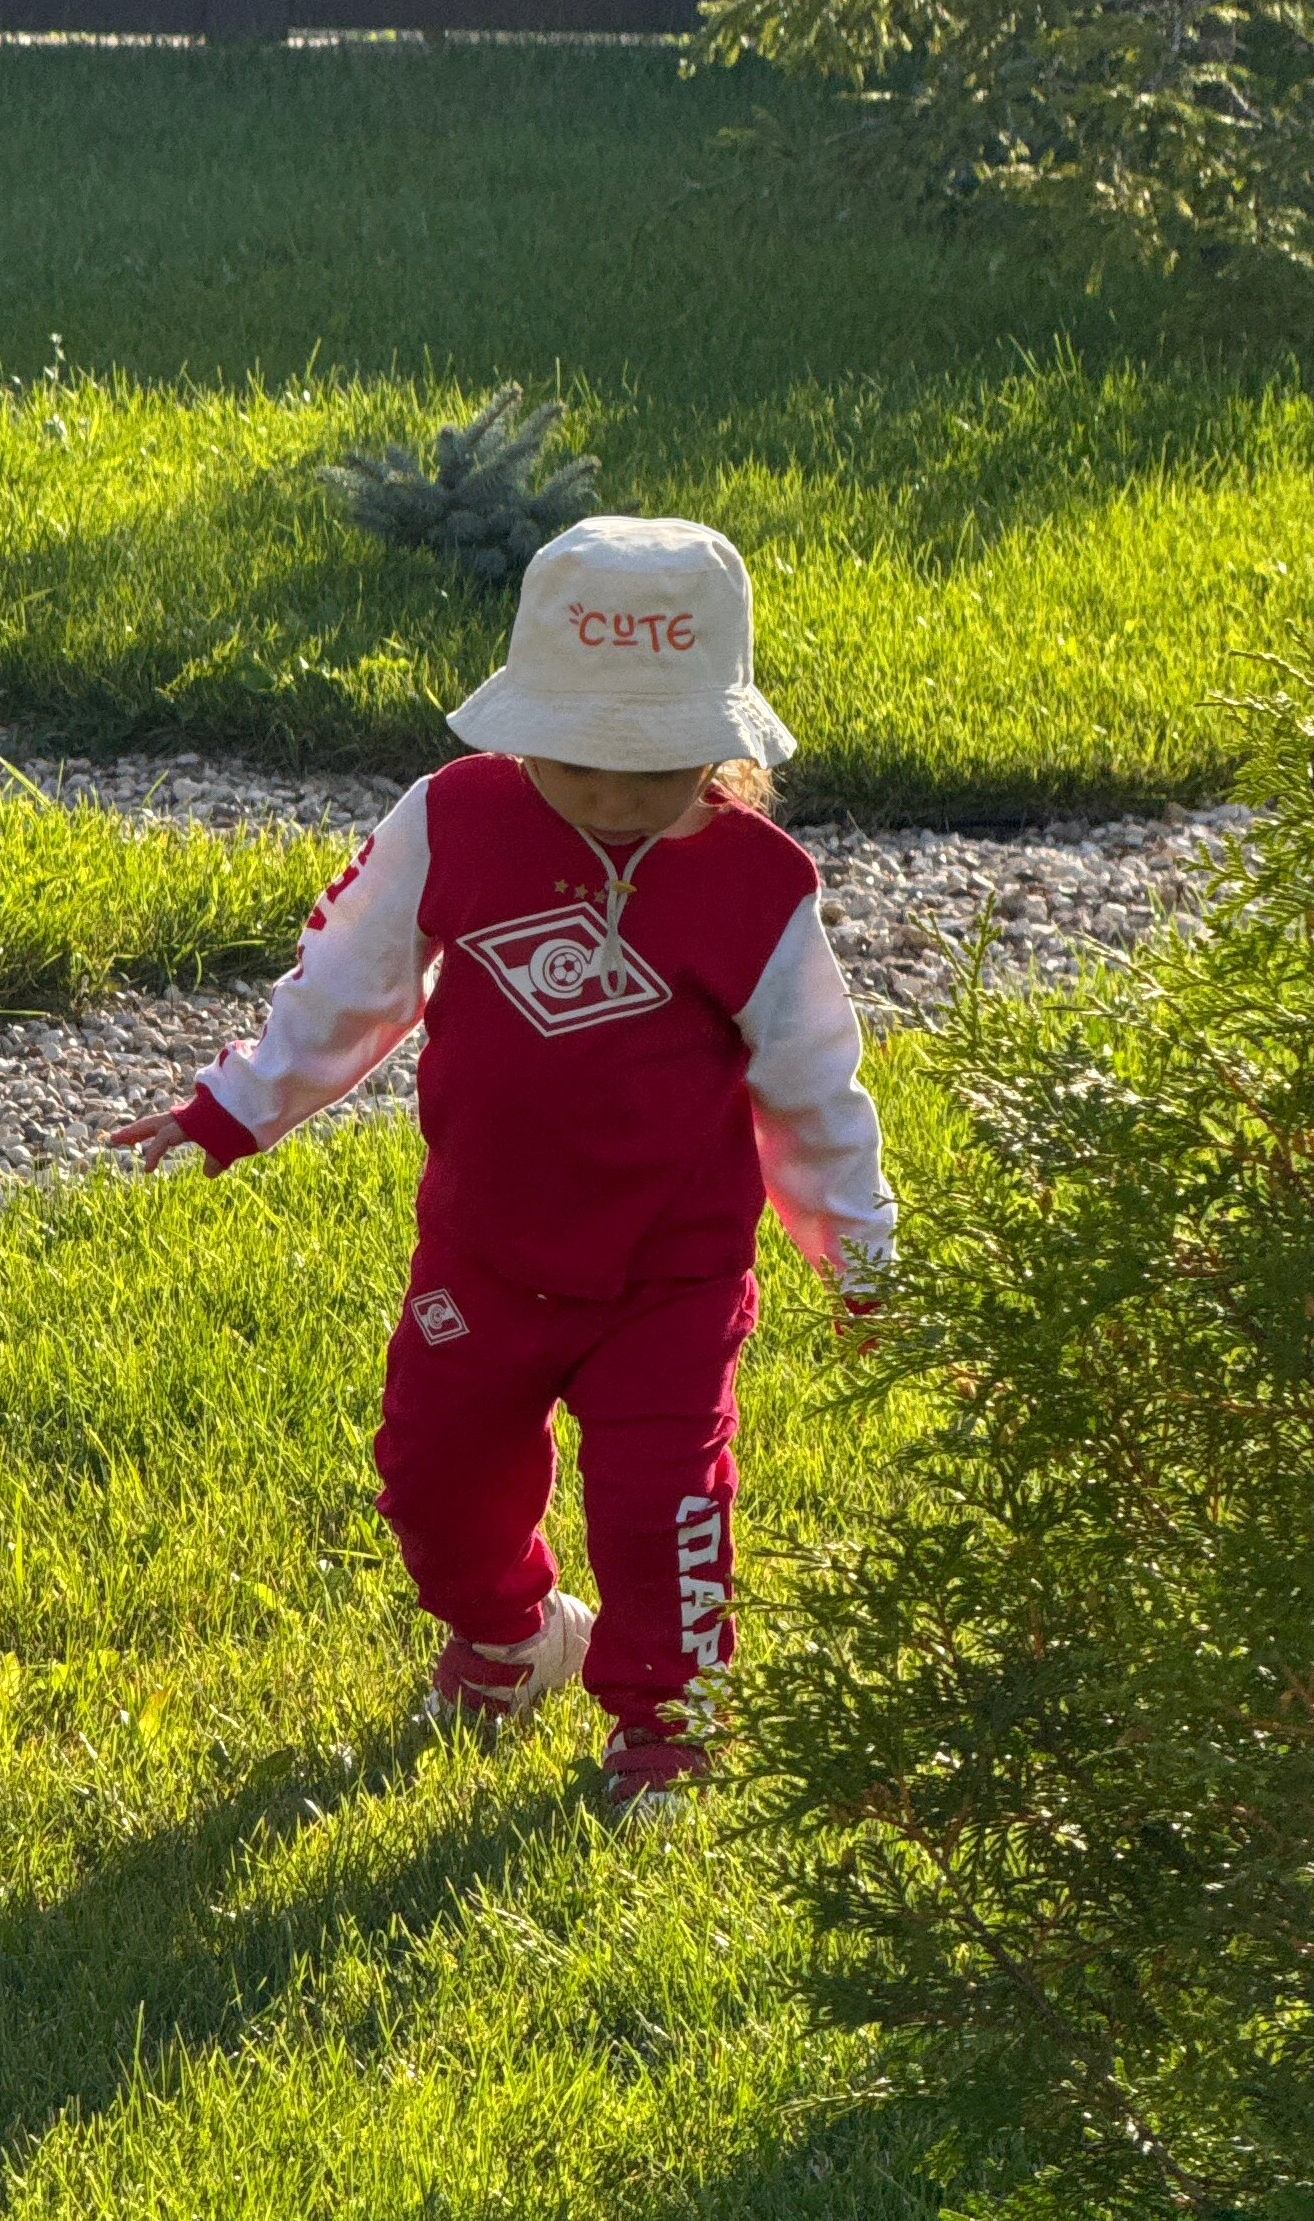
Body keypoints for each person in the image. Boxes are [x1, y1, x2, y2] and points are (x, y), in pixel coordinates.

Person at [106, 513, 893, 1805]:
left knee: (663, 1507)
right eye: (582, 762)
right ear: (523, 725)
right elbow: (349, 980)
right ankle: (514, 1636)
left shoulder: (759, 889)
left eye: (656, 771)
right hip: (487, 1242)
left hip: (670, 1277)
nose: (614, 795)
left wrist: (860, 1257)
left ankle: (665, 1727)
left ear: (723, 753)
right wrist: (237, 1104)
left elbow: (815, 1092)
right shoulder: (455, 823)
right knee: (432, 1477)